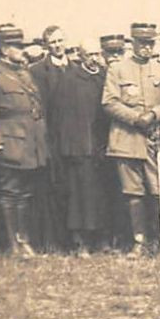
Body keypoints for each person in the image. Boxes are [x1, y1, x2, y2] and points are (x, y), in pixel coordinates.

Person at [0, 24, 50, 257]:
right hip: (10, 142)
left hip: (31, 141)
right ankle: (13, 244)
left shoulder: (24, 73)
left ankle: (23, 239)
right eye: (17, 47)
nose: (22, 50)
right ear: (5, 49)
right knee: (9, 192)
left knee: (25, 193)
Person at [103, 23, 160, 253]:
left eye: (150, 43)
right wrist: (136, 118)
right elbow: (109, 102)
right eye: (141, 43)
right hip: (127, 138)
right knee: (133, 193)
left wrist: (154, 115)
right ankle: (139, 241)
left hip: (157, 137)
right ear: (132, 43)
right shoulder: (117, 69)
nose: (146, 47)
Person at [35, 25, 109, 254]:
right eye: (90, 55)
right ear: (81, 54)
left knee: (98, 194)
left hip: (98, 146)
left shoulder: (101, 77)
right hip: (77, 147)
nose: (95, 59)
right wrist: (73, 147)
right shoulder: (69, 79)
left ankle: (99, 240)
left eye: (98, 54)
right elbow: (60, 115)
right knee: (79, 197)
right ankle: (80, 242)